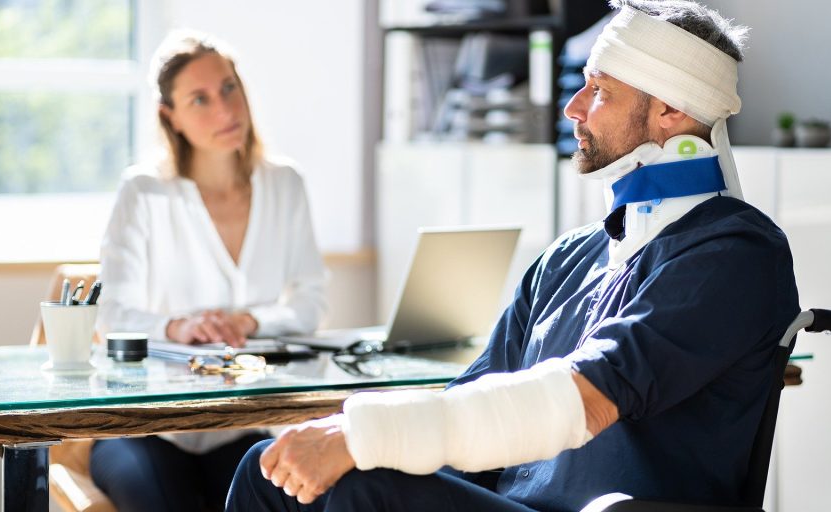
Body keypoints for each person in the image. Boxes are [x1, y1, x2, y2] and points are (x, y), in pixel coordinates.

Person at [225, 0, 801, 510]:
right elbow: (474, 404)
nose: (574, 107)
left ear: (672, 113)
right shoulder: (569, 258)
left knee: (361, 485)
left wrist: (365, 438)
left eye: (599, 90)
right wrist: (346, 443)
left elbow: (586, 399)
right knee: (271, 469)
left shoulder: (734, 255)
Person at [91, 30, 327, 512]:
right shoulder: (144, 192)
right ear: (169, 116)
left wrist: (249, 322)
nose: (225, 109)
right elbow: (110, 314)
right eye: (200, 99)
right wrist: (179, 326)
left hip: (241, 423)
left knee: (293, 497)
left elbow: (311, 303)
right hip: (145, 428)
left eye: (228, 87)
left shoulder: (285, 184)